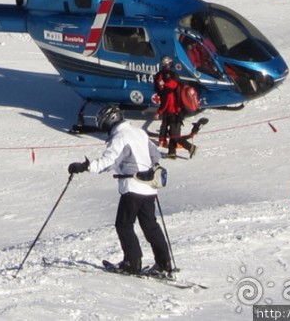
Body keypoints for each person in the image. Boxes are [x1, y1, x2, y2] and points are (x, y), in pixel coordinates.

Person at [67, 105, 174, 277]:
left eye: (103, 122)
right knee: (150, 225)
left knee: (124, 225)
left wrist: (85, 166)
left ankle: (132, 263)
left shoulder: (121, 137)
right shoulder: (139, 132)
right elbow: (155, 155)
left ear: (110, 120)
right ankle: (164, 264)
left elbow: (109, 161)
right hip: (149, 188)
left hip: (132, 187)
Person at [154, 56, 197, 160]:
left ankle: (190, 147)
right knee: (173, 133)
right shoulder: (175, 77)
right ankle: (171, 153)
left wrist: (159, 112)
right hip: (176, 112)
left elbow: (166, 101)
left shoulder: (165, 81)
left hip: (173, 112)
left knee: (175, 135)